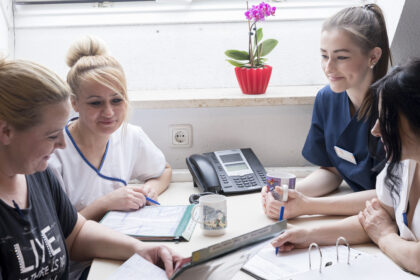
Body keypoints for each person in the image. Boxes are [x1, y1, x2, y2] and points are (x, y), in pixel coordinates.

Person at [0, 57, 181, 279]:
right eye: (51, 135)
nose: (62, 144)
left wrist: (139, 249)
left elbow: (75, 234)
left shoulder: (39, 175)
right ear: (5, 131)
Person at [271, 58, 420, 275]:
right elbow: (373, 221)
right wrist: (306, 234)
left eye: (387, 120)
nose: (375, 130)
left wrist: (386, 238)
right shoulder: (400, 164)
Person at [262, 4, 391, 220]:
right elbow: (332, 171)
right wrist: (288, 194)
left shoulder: (395, 107)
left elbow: (390, 197)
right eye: (324, 56)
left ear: (373, 57)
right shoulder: (327, 99)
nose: (329, 68)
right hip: (356, 212)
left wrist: (307, 206)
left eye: (341, 57)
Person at [49, 36, 172, 222]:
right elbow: (56, 231)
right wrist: (105, 203)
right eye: (95, 103)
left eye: (116, 100)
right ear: (75, 103)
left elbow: (163, 171)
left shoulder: (130, 135)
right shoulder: (53, 155)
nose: (108, 112)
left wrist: (150, 190)